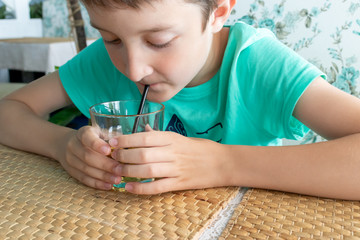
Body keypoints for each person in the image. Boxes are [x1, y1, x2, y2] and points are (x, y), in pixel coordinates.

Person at [1, 0, 360, 200]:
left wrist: (223, 164)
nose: (134, 69)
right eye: (110, 38)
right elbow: (9, 111)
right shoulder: (104, 62)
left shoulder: (259, 66)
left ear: (218, 12)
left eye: (159, 41)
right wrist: (61, 144)